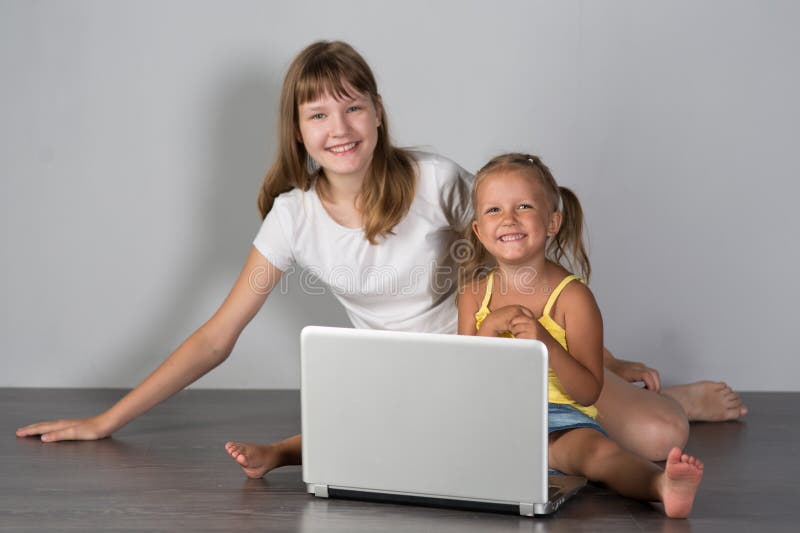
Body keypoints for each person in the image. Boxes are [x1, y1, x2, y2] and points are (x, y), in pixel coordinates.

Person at [16, 40, 743, 476]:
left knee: (655, 437)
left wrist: (599, 357)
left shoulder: (434, 179)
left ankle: (663, 400)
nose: (341, 128)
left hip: (494, 354)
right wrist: (106, 421)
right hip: (401, 385)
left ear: (378, 110)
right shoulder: (293, 217)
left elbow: (520, 266)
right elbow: (216, 337)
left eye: (353, 105)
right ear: (298, 132)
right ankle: (299, 448)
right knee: (396, 455)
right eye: (319, 114)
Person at [457, 153, 703, 517]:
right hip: (493, 421)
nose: (508, 218)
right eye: (493, 210)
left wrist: (545, 342)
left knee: (600, 455)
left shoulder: (573, 298)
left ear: (552, 221)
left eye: (523, 206)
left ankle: (661, 485)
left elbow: (588, 391)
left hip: (560, 424)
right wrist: (490, 328)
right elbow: (465, 380)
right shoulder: (473, 295)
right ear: (478, 230)